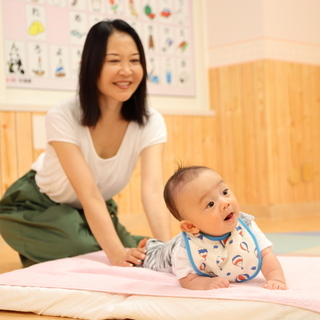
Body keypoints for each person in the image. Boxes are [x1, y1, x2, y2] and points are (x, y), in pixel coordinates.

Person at [0, 19, 171, 268]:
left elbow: (153, 191)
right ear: (92, 66)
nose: (126, 70)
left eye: (134, 60)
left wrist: (169, 251)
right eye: (114, 61)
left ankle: (53, 246)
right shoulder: (62, 116)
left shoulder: (151, 121)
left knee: (136, 249)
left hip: (90, 208)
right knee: (89, 251)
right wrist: (115, 255)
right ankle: (43, 241)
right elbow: (88, 193)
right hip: (35, 206)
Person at [142, 165, 288, 291]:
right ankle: (150, 246)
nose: (225, 203)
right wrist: (206, 283)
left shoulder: (246, 225)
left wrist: (276, 279)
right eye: (210, 204)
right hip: (168, 252)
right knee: (150, 258)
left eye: (224, 192)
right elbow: (187, 278)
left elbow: (266, 254)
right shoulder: (185, 247)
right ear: (191, 226)